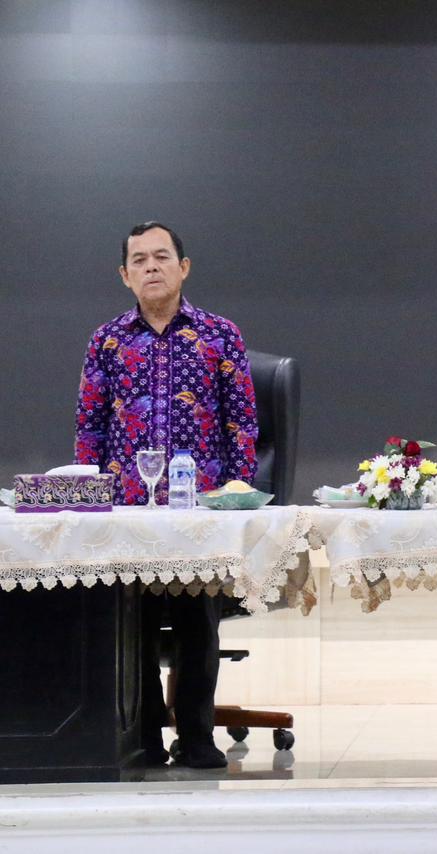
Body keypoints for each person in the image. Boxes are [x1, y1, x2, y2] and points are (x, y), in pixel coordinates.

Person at [75, 222, 259, 769]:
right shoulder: (107, 341)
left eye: (161, 257)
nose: (151, 267)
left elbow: (242, 425)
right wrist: (91, 501)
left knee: (196, 623)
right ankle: (146, 736)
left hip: (201, 511)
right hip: (128, 512)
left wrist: (236, 496)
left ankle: (197, 736)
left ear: (184, 267)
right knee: (132, 623)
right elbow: (89, 429)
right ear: (124, 275)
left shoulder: (219, 334)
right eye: (140, 260)